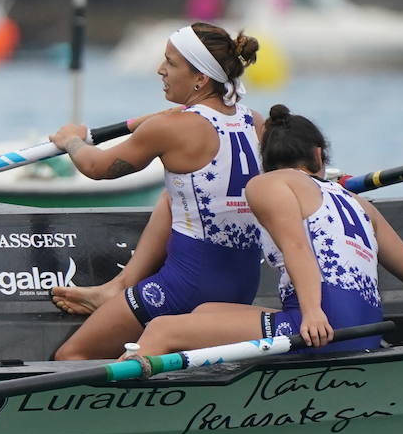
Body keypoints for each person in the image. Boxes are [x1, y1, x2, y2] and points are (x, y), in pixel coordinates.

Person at [124, 106, 403, 357]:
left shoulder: (267, 185)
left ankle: (109, 406)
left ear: (266, 159)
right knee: (206, 312)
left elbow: (297, 246)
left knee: (162, 329)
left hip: (320, 331)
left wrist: (310, 314)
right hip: (366, 332)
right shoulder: (358, 203)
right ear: (319, 156)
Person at [48, 22, 265, 360]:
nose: (160, 70)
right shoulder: (256, 121)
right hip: (243, 284)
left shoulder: (170, 127)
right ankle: (117, 289)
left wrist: (71, 140)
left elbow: (96, 168)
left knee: (70, 357)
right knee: (175, 193)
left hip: (186, 288)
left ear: (200, 79)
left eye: (171, 63)